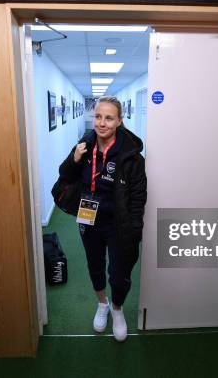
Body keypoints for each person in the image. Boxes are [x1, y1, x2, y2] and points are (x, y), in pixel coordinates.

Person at [55, 96, 146, 342]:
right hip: (88, 217)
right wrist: (74, 158)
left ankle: (117, 309)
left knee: (119, 273)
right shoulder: (84, 147)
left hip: (118, 223)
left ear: (119, 121)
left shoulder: (132, 158)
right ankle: (102, 304)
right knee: (94, 264)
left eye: (108, 118)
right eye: (98, 116)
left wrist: (134, 230)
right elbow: (64, 175)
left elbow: (138, 199)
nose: (102, 123)